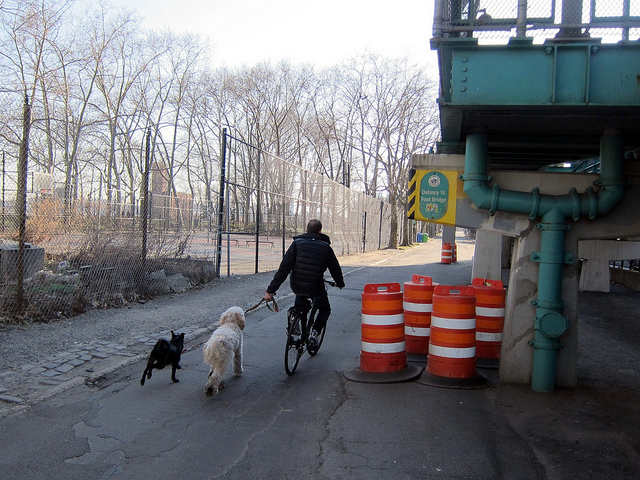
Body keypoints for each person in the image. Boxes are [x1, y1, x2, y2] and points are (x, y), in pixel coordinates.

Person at [264, 219, 345, 353]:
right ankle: (314, 333)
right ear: (320, 231)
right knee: (325, 309)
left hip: (296, 284)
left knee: (301, 297)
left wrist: (270, 291)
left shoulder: (297, 244)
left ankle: (295, 316)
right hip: (315, 286)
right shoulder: (326, 247)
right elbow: (335, 268)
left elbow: (284, 269)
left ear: (306, 230)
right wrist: (340, 283)